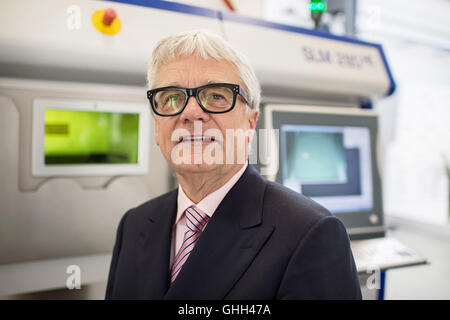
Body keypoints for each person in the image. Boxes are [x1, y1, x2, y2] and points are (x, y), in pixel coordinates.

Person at [105, 30, 361, 300]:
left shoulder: (309, 233)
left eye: (216, 96)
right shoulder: (134, 224)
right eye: (171, 98)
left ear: (250, 123)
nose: (191, 113)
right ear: (157, 128)